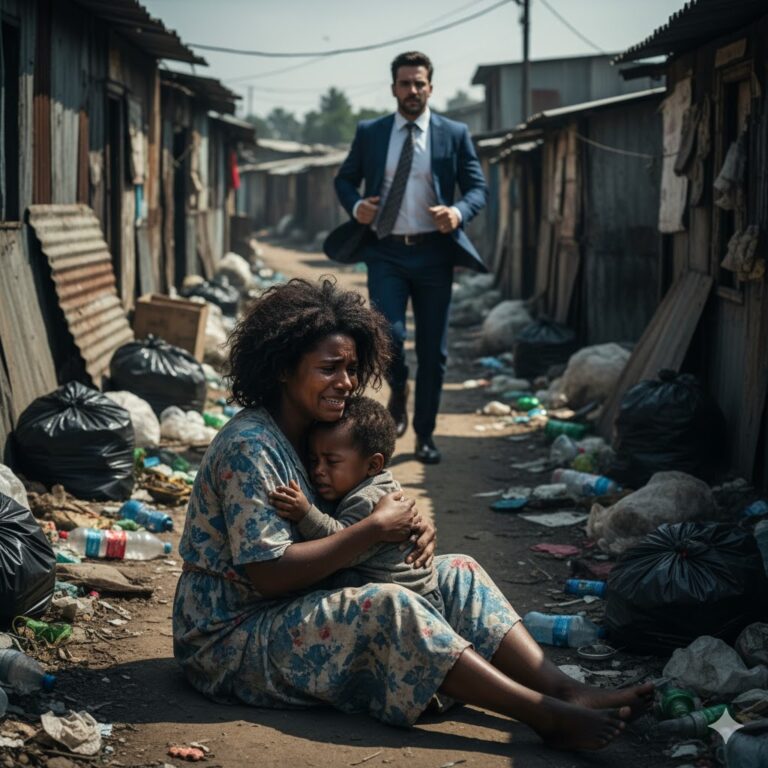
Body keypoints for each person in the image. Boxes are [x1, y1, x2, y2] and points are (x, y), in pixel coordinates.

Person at [173, 277, 653, 753]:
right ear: (282, 367)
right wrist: (374, 530)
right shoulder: (252, 447)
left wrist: (409, 522)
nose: (346, 382)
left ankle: (565, 689)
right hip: (233, 636)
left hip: (298, 603)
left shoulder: (317, 431)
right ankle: (543, 715)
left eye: (352, 368)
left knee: (459, 571)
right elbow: (269, 575)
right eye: (329, 369)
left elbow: (367, 494)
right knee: (389, 605)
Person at [325, 51, 488, 465]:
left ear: (431, 87)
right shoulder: (372, 132)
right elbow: (344, 179)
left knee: (434, 352)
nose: (412, 90)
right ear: (393, 88)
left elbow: (477, 188)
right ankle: (398, 387)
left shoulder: (454, 133)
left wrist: (457, 212)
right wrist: (356, 205)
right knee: (389, 336)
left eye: (419, 83)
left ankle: (425, 435)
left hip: (435, 253)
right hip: (386, 252)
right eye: (405, 83)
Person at [268, 396, 445, 614]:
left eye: (331, 462)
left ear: (373, 465)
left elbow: (341, 542)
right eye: (313, 461)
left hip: (411, 601)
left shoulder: (368, 498)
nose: (318, 470)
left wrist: (305, 514)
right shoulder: (379, 483)